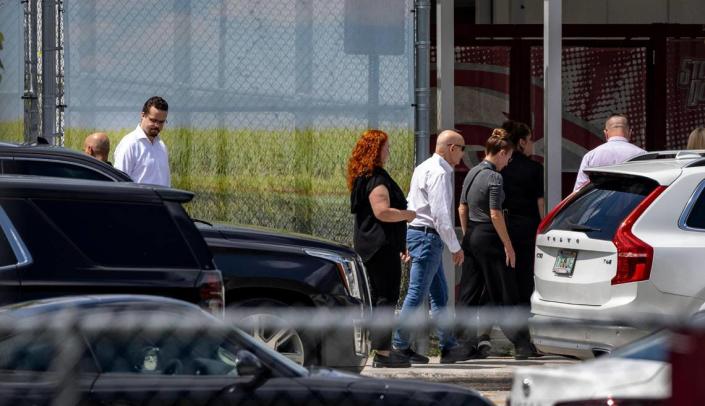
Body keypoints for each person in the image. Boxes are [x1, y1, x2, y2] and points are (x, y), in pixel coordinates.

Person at [392, 129, 474, 365]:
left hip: (423, 236)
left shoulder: (423, 167)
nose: (463, 154)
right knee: (417, 293)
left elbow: (413, 203)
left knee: (439, 295)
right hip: (429, 238)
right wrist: (455, 247)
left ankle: (448, 346)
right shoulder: (439, 173)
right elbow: (439, 215)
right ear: (451, 148)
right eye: (462, 148)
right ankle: (399, 344)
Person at [460, 128, 534, 360]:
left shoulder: (472, 172)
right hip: (490, 236)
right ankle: (522, 345)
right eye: (508, 157)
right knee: (504, 290)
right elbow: (495, 213)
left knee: (469, 293)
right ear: (501, 153)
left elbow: (462, 207)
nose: (508, 162)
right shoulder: (494, 176)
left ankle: (460, 346)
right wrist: (508, 245)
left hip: (472, 234)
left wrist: (468, 235)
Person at [348, 130, 417, 368]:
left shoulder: (362, 176)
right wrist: (408, 215)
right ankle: (384, 353)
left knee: (378, 297)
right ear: (376, 150)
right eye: (386, 147)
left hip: (372, 245)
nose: (389, 151)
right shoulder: (376, 179)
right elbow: (382, 212)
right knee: (386, 298)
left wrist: (401, 242)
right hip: (380, 247)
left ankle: (379, 348)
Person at [573, 114, 645, 191]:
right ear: (630, 132)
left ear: (605, 133)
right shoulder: (643, 155)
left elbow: (579, 190)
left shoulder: (591, 156)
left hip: (601, 203)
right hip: (637, 203)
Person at [114, 96, 171, 187]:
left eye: (161, 122)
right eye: (153, 120)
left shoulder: (161, 146)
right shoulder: (129, 144)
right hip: (138, 201)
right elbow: (120, 183)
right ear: (143, 115)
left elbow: (166, 182)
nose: (156, 125)